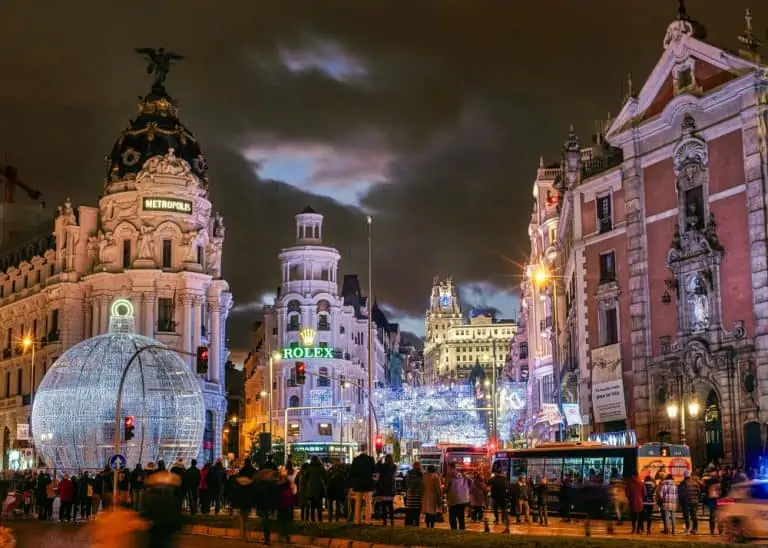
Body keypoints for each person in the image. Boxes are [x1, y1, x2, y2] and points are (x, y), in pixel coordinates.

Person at [141, 471, 185, 548]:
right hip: (167, 527)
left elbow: (147, 511)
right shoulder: (173, 495)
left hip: (157, 528)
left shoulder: (152, 496)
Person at [349, 443, 376, 524]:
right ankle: (367, 520)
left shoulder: (356, 460)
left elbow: (352, 474)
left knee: (358, 502)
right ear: (366, 449)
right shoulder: (370, 459)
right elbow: (374, 471)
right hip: (368, 484)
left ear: (360, 449)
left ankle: (357, 520)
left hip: (358, 484)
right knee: (368, 502)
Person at [230, 458, 257, 540]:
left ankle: (242, 534)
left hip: (240, 497)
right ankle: (247, 535)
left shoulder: (240, 473)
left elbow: (235, 487)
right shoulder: (253, 472)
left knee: (241, 516)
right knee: (247, 517)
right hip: (248, 497)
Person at [444, 463, 469, 530]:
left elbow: (446, 488)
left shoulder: (449, 476)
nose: (447, 470)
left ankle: (454, 531)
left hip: (453, 500)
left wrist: (443, 489)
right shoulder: (462, 476)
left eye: (448, 468)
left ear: (451, 468)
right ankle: (462, 531)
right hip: (462, 500)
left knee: (452, 518)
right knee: (461, 518)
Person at [304, 456, 327, 522]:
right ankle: (320, 519)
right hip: (319, 487)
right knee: (319, 505)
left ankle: (312, 519)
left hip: (310, 487)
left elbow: (305, 477)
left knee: (312, 506)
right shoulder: (321, 467)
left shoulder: (309, 468)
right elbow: (325, 477)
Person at [376, 455, 397, 526]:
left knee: (384, 506)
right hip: (390, 489)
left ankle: (384, 521)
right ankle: (392, 521)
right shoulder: (394, 467)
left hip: (383, 488)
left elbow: (377, 467)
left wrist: (379, 460)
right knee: (390, 505)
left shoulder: (382, 466)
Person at [421, 464, 442, 529]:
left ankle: (427, 527)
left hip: (425, 496)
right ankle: (432, 527)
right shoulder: (436, 477)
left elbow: (422, 487)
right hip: (433, 497)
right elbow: (438, 488)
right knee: (432, 513)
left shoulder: (424, 476)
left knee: (427, 513)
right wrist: (440, 496)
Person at [404, 461, 424, 526]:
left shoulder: (408, 473)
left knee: (409, 517)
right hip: (417, 499)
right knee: (416, 518)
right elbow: (422, 487)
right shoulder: (421, 475)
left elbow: (406, 485)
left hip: (410, 499)